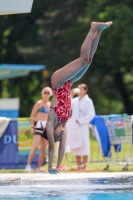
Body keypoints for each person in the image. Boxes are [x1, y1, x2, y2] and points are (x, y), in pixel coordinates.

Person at [33, 21, 113, 174]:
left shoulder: (51, 123)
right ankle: (99, 31)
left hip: (58, 82)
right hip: (68, 83)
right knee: (89, 59)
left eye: (57, 136)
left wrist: (49, 166)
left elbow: (52, 146)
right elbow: (62, 147)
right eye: (60, 136)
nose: (60, 135)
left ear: (52, 133)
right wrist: (58, 166)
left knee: (83, 59)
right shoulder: (63, 124)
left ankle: (93, 27)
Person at [66, 84, 95, 170]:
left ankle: (84, 166)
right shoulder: (75, 100)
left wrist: (80, 120)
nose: (79, 90)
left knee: (84, 145)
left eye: (81, 89)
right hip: (74, 126)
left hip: (82, 126)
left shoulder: (88, 101)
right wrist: (71, 94)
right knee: (76, 145)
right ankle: (78, 166)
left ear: (85, 90)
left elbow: (91, 114)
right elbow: (67, 106)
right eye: (78, 88)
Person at [25, 86, 52, 172]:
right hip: (39, 124)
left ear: (50, 94)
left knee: (44, 147)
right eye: (45, 92)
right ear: (42, 94)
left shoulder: (50, 105)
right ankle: (28, 165)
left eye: (48, 93)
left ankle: (39, 166)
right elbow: (32, 116)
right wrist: (32, 127)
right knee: (36, 145)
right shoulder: (39, 103)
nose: (46, 94)